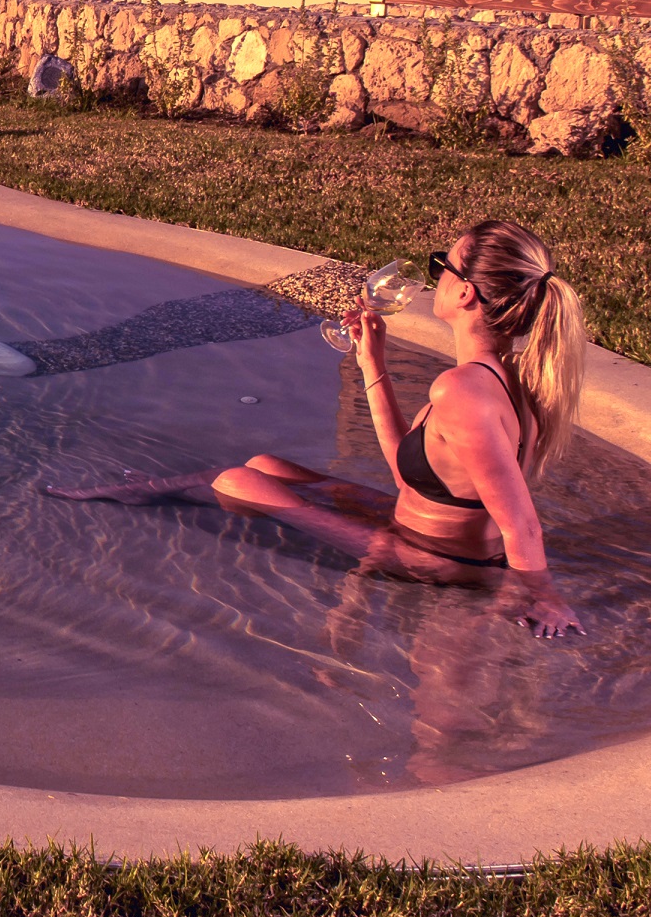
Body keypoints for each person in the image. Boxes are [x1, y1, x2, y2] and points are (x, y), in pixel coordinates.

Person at [212, 220, 587, 637]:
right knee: (265, 465)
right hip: (429, 537)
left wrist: (543, 596)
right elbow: (407, 475)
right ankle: (163, 489)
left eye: (441, 265)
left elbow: (521, 522)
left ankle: (155, 489)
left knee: (234, 481)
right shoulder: (506, 377)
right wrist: (372, 362)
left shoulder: (461, 390)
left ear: (465, 292)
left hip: (436, 559)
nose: (435, 278)